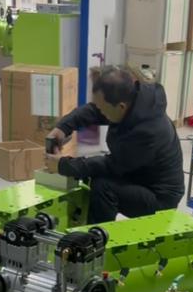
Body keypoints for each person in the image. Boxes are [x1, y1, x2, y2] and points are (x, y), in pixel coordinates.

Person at [46, 66, 184, 224]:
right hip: (139, 174)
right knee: (90, 174)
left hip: (160, 198)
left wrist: (63, 165)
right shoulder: (132, 102)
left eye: (104, 109)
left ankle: (96, 236)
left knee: (103, 187)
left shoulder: (149, 132)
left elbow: (112, 165)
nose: (101, 112)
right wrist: (63, 127)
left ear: (121, 107)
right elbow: (95, 110)